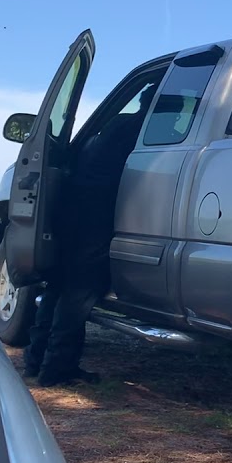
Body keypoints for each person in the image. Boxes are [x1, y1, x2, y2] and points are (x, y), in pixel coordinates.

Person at [23, 84, 156, 386]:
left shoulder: (116, 124)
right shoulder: (139, 132)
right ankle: (56, 370)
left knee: (57, 287)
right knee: (78, 294)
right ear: (155, 109)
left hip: (72, 211)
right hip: (95, 217)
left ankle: (35, 361)